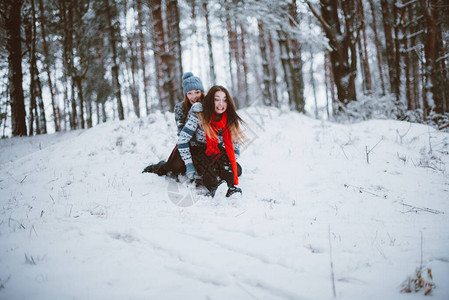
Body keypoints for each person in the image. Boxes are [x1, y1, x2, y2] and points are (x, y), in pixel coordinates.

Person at [177, 85, 245, 197]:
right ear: (210, 101)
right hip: (198, 150)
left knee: (231, 166)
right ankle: (215, 187)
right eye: (217, 99)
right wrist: (189, 164)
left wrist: (231, 161)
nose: (221, 104)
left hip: (217, 151)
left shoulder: (229, 119)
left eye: (224, 100)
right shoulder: (199, 114)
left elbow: (235, 146)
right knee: (206, 165)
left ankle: (230, 188)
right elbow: (182, 140)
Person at [142, 72, 205, 177]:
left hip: (206, 145)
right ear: (186, 94)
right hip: (187, 145)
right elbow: (182, 133)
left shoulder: (208, 105)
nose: (194, 97)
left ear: (202, 92)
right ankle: (160, 167)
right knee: (174, 166)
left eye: (197, 92)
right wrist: (192, 114)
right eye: (190, 93)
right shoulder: (180, 108)